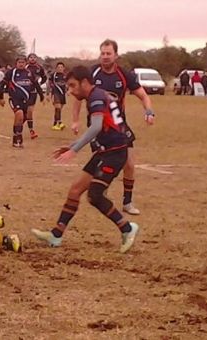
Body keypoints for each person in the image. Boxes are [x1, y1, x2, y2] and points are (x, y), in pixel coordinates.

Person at [31, 66, 140, 253]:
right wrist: (73, 144)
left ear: (85, 83)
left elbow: (96, 127)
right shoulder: (99, 94)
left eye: (73, 86)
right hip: (105, 150)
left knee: (95, 195)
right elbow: (106, 126)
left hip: (115, 153)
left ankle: (127, 228)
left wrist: (74, 149)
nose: (71, 91)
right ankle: (56, 235)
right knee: (75, 190)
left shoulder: (96, 98)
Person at [71, 39, 155, 215]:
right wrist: (75, 120)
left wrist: (149, 111)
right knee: (102, 159)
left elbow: (143, 95)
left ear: (116, 55)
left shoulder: (125, 75)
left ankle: (127, 202)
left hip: (119, 125)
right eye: (102, 53)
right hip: (98, 125)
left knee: (130, 164)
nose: (105, 57)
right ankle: (100, 191)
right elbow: (77, 97)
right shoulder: (91, 73)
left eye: (109, 53)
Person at [0, 55, 44, 148]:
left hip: (26, 100)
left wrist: (41, 96)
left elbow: (36, 85)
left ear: (26, 63)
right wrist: (1, 98)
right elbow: (2, 85)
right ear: (16, 63)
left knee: (21, 119)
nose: (21, 64)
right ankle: (19, 139)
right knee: (19, 114)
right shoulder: (11, 73)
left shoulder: (29, 73)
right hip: (14, 99)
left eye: (23, 62)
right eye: (19, 62)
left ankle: (15, 138)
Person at [25, 53, 48, 139]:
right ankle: (19, 125)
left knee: (30, 111)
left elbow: (44, 78)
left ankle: (31, 131)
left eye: (34, 57)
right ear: (28, 59)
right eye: (31, 57)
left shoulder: (39, 68)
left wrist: (40, 84)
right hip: (24, 91)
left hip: (33, 92)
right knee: (24, 112)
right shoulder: (25, 67)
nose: (32, 59)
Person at [48, 62, 67, 131]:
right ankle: (58, 123)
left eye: (61, 67)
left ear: (64, 68)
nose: (60, 69)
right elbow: (49, 84)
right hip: (55, 93)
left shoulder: (65, 76)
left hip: (62, 94)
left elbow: (68, 84)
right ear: (56, 68)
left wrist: (68, 91)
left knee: (59, 110)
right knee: (58, 108)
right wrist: (48, 94)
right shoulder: (53, 75)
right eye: (58, 67)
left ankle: (56, 123)